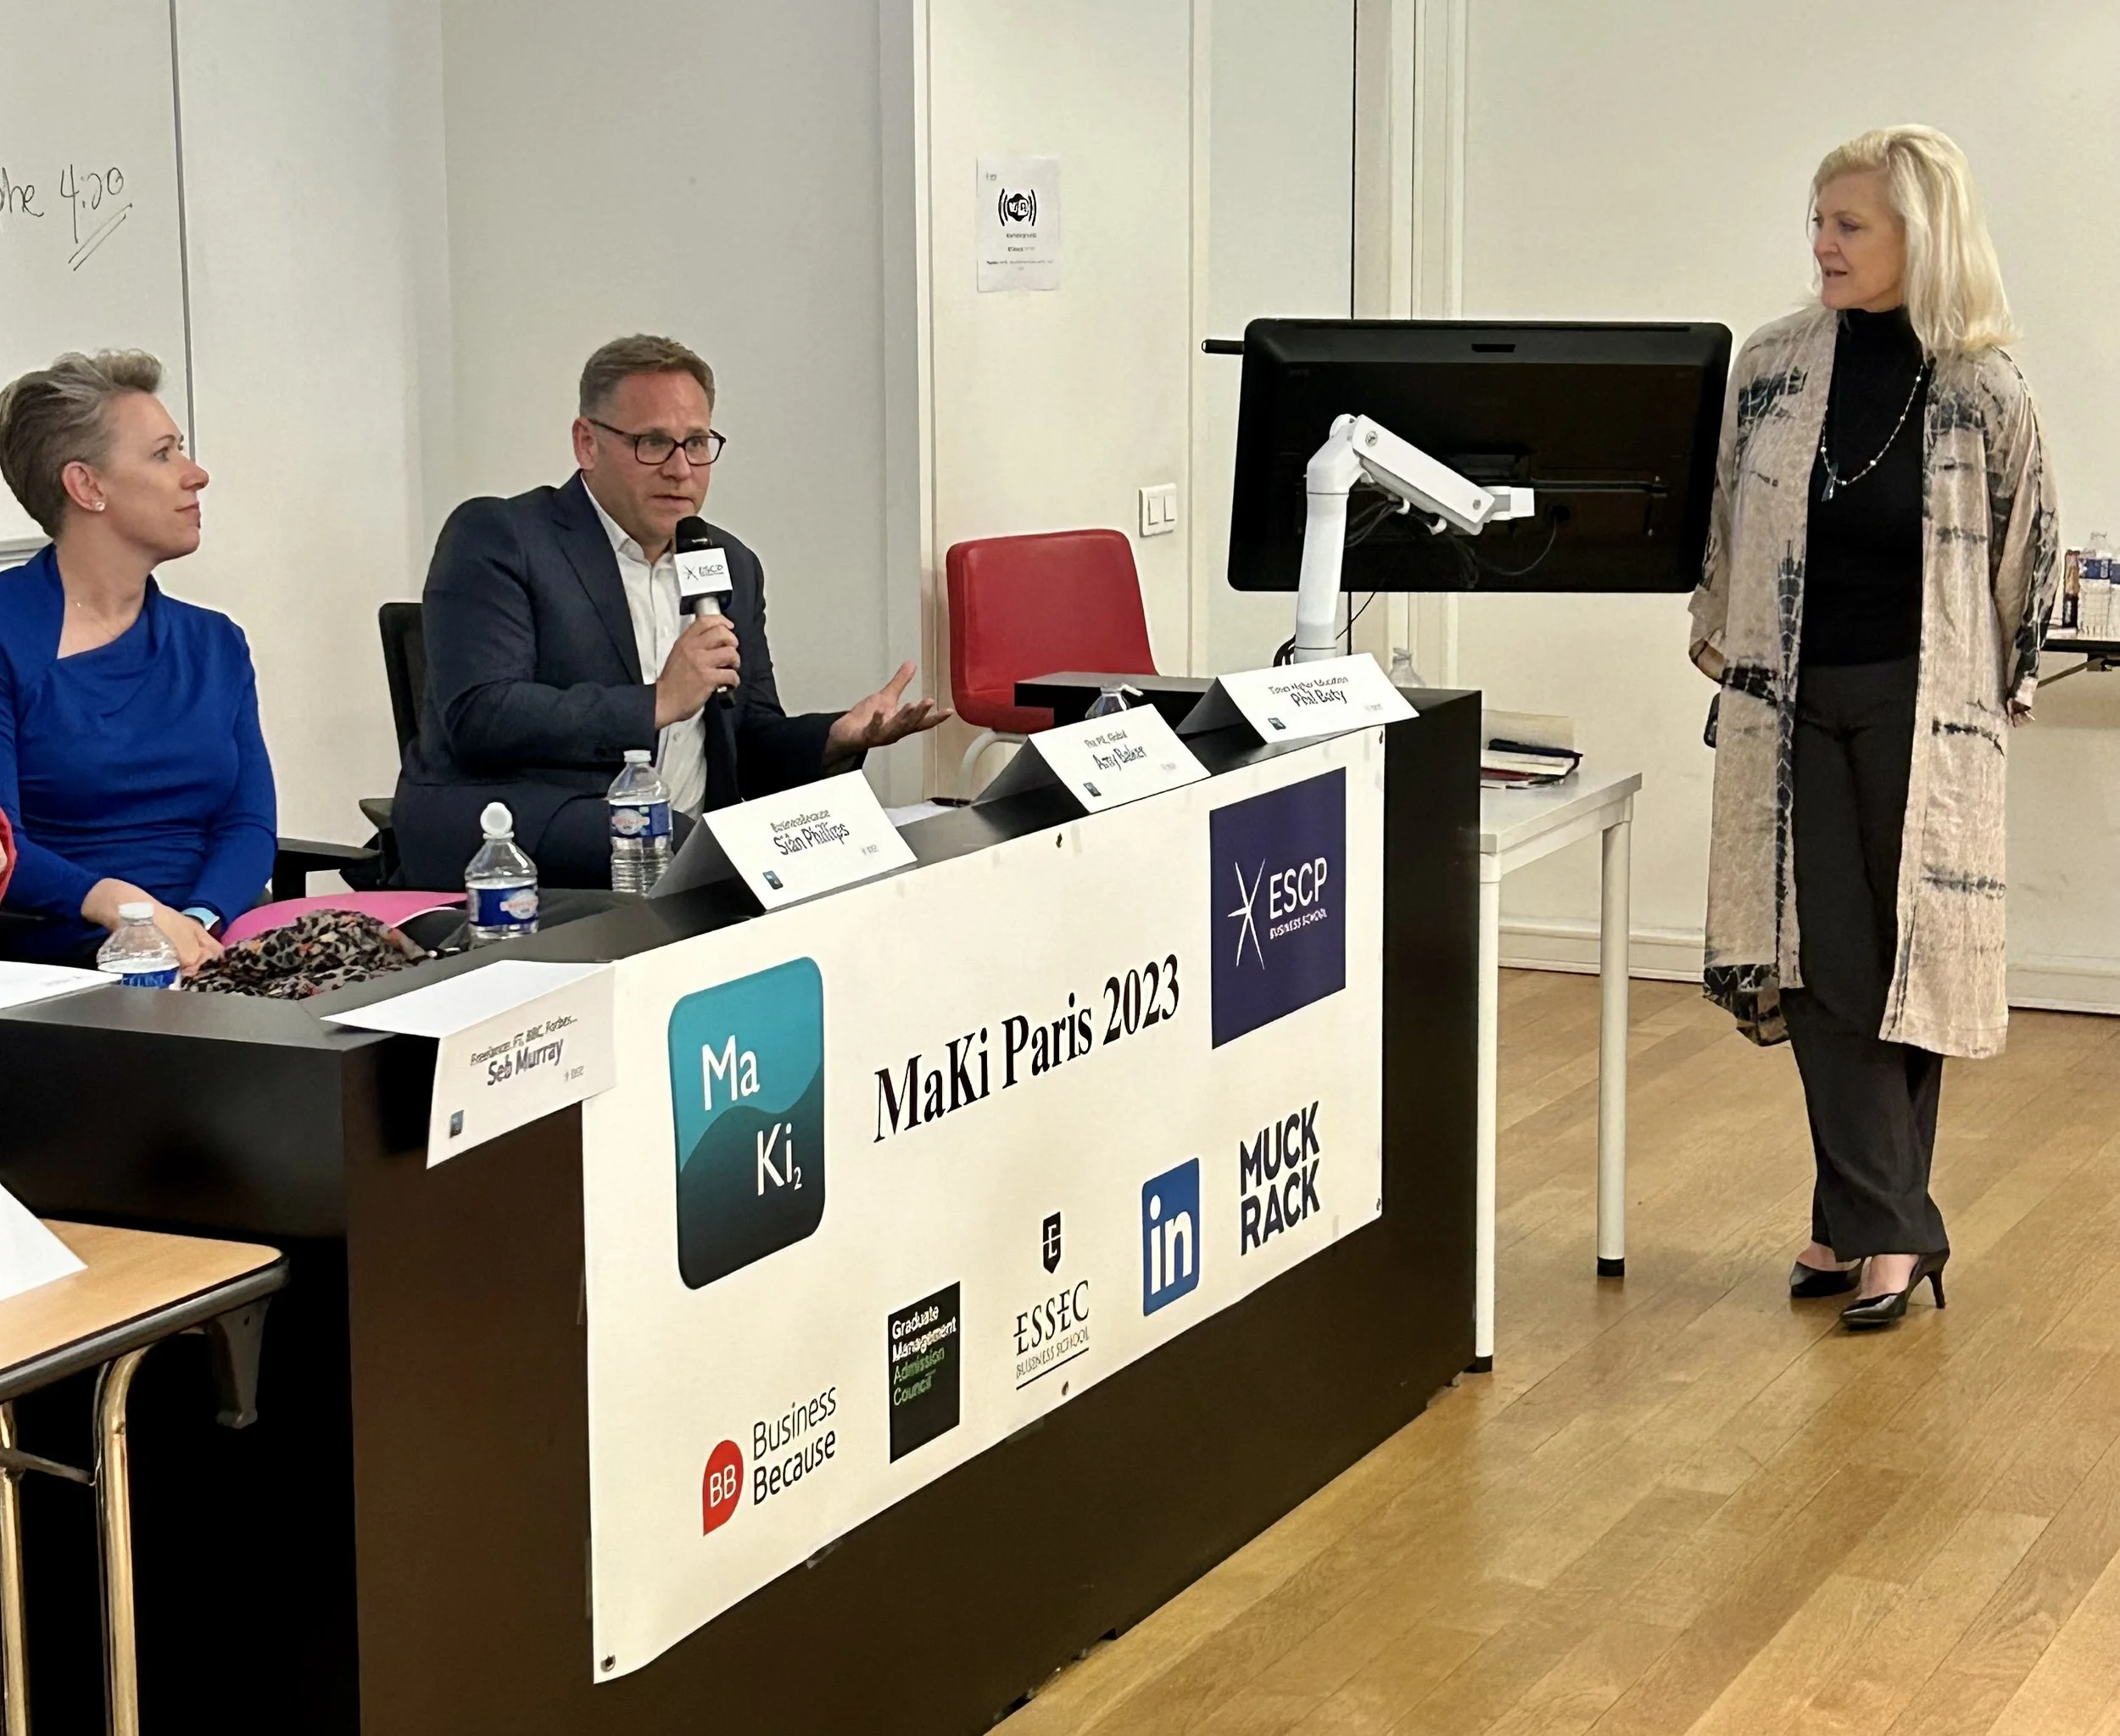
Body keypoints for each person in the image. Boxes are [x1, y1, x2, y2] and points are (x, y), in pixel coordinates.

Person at [1689, 126, 2057, 1330]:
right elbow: (1725, 538)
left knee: (1910, 969)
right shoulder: (1774, 365)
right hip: (1795, 695)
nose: (1823, 243)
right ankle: (1892, 1222)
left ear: (1921, 236)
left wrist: (1993, 703)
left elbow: (2026, 557)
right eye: (1818, 220)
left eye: (1851, 224)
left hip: (1925, 707)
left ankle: (1857, 1219)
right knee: (1827, 959)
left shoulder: (1986, 385)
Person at [393, 334, 946, 888]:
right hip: (526, 831)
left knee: (863, 851)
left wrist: (835, 738)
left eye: (697, 443)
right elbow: (482, 716)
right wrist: (658, 701)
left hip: (688, 849)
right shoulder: (501, 537)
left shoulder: (730, 561)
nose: (681, 469)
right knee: (702, 851)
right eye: (653, 443)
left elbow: (747, 738)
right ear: (588, 444)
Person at [0, 351, 275, 970]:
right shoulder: (7, 633)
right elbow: (2, 845)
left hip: (210, 948)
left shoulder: (217, 643)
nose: (196, 473)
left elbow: (250, 823)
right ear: (87, 486)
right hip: (68, 963)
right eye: (164, 454)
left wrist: (198, 925)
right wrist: (122, 908)